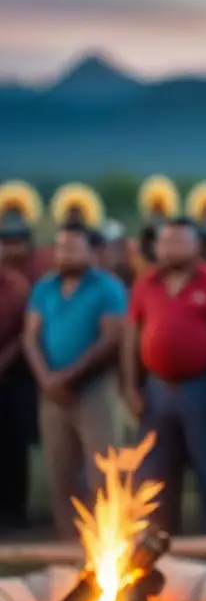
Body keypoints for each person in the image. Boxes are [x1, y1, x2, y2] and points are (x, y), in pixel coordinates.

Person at [122, 217, 206, 535]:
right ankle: (160, 536)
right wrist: (131, 387)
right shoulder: (146, 283)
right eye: (166, 242)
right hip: (156, 390)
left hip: (199, 388)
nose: (172, 248)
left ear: (195, 246)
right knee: (156, 469)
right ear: (157, 246)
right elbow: (131, 336)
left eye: (180, 242)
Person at [23, 222, 127, 538]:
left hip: (93, 390)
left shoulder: (107, 287)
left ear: (91, 251)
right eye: (60, 247)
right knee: (60, 471)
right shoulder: (45, 287)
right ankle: (67, 543)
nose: (63, 254)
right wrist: (46, 379)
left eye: (72, 247)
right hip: (52, 393)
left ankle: (109, 544)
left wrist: (68, 377)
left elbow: (110, 339)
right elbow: (30, 336)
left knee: (103, 471)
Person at [0, 244, 32, 530]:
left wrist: (3, 362)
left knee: (11, 444)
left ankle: (14, 512)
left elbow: (24, 333)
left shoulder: (16, 286)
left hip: (11, 377)